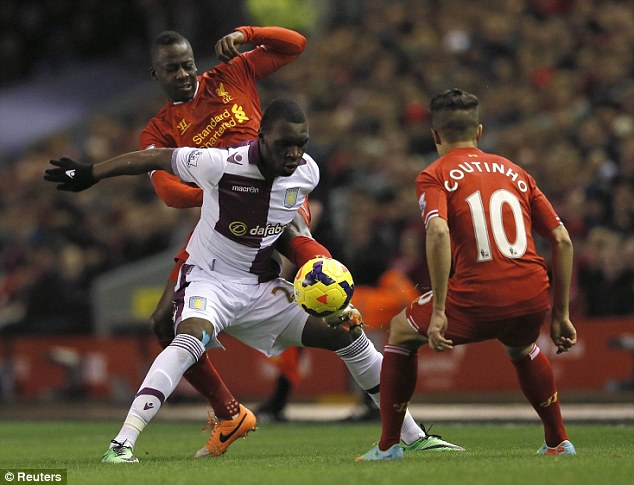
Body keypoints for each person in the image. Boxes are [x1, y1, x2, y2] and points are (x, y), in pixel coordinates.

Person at [45, 98, 463, 463]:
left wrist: (323, 272)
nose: (294, 152)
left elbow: (294, 232)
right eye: (284, 144)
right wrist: (90, 173)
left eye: (301, 143)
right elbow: (156, 158)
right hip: (209, 280)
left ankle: (413, 437)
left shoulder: (307, 173)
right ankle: (122, 444)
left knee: (349, 337)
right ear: (262, 137)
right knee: (187, 340)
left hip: (261, 290)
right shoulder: (219, 164)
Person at [357, 89, 578, 461]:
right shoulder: (516, 172)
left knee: (400, 329)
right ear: (479, 130)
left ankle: (389, 445)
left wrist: (440, 309)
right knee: (521, 346)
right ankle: (558, 440)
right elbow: (562, 239)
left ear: (435, 135)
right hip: (532, 293)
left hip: (478, 295)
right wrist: (561, 314)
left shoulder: (434, 174)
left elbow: (438, 232)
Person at [142, 26, 308, 455]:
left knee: (305, 264)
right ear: (155, 74)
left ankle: (338, 312)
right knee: (163, 322)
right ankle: (229, 411)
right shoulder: (158, 130)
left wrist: (250, 33)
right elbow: (167, 192)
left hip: (276, 197)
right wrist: (222, 191)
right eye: (171, 69)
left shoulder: (231, 74)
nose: (182, 74)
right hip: (222, 223)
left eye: (187, 65)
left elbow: (295, 45)